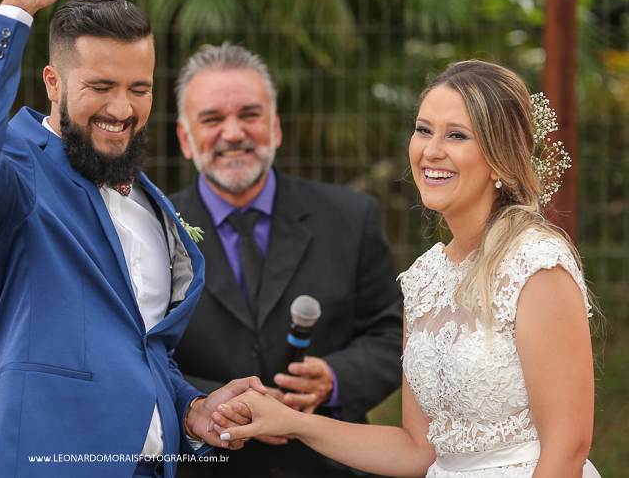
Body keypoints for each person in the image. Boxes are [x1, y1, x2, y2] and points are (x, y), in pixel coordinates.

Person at [0, 0, 265, 478]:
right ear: (53, 83)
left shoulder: (146, 198)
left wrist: (189, 407)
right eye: (101, 87)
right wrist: (16, 10)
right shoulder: (17, 170)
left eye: (140, 89)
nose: (122, 109)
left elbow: (138, 347)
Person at [216, 60, 599, 478]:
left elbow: (568, 448)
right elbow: (417, 450)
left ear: (501, 160)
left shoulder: (536, 265)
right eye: (423, 129)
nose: (431, 150)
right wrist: (293, 422)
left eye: (456, 135)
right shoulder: (424, 279)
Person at [168, 42, 403, 477]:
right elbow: (134, 354)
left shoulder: (352, 218)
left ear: (275, 128)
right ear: (185, 138)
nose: (234, 133)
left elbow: (394, 335)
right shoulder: (153, 232)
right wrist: (211, 404)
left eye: (250, 115)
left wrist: (335, 378)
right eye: (213, 119)